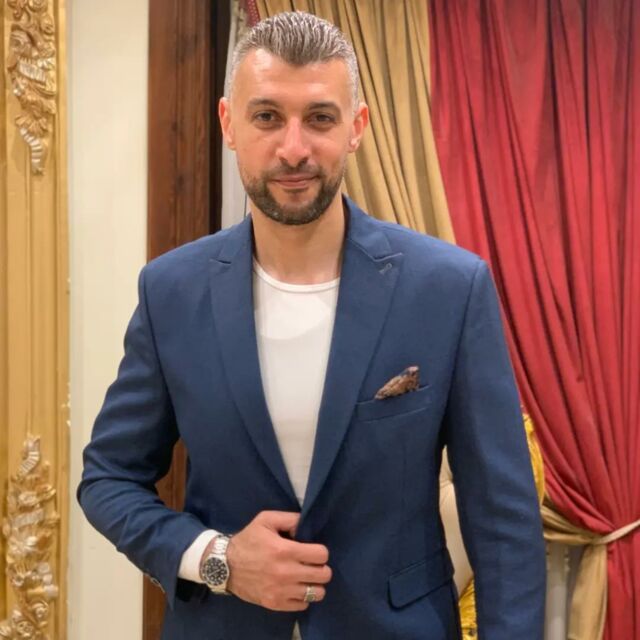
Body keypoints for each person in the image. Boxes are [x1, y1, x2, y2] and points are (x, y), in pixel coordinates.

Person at [78, 11, 545, 640]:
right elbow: (109, 478)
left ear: (357, 127)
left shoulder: (449, 289)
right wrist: (218, 560)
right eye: (268, 117)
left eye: (320, 118)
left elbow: (505, 522)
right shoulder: (170, 292)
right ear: (229, 124)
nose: (294, 148)